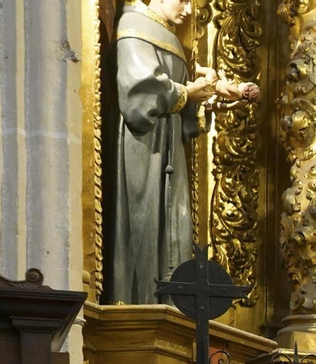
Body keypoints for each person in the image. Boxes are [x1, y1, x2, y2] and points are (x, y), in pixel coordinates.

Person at [110, 0, 257, 304]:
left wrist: (208, 97)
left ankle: (169, 304)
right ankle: (139, 302)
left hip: (168, 144)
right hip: (144, 145)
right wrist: (189, 91)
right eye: (185, 0)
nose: (190, 11)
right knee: (146, 220)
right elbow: (139, 95)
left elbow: (180, 103)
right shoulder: (132, 27)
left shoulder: (168, 35)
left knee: (174, 223)